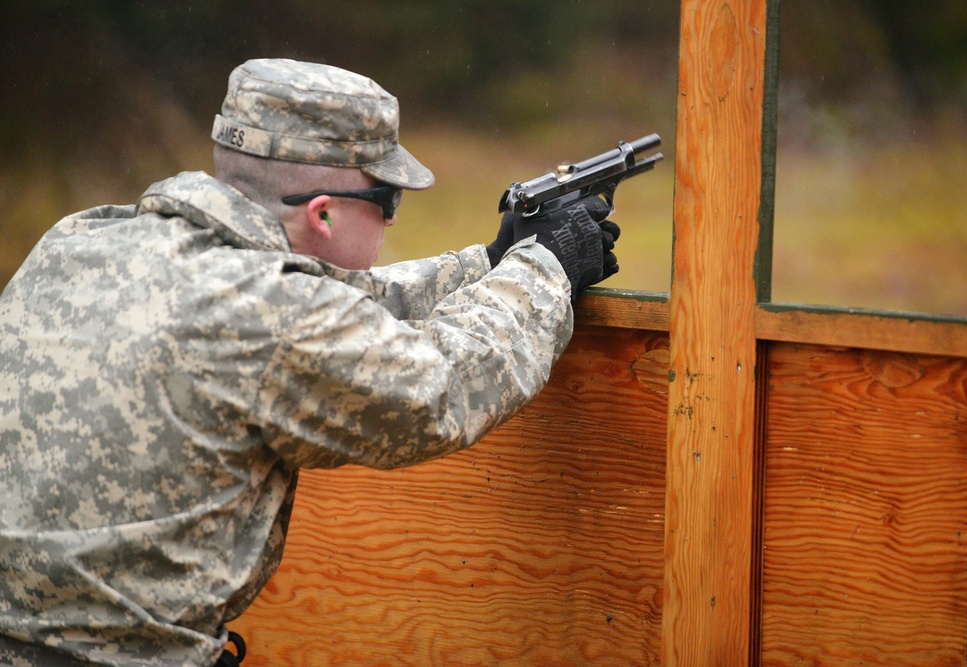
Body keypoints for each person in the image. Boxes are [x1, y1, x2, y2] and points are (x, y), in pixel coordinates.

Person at [0, 58, 620, 666]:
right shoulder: (268, 314)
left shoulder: (78, 242)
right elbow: (439, 388)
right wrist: (548, 269)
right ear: (323, 212)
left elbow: (323, 303)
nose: (391, 220)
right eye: (388, 202)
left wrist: (488, 262)